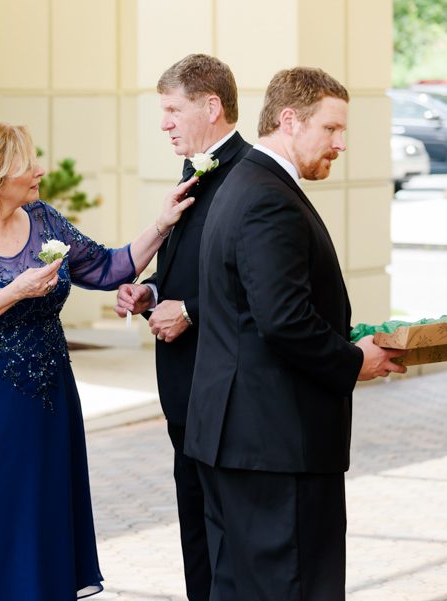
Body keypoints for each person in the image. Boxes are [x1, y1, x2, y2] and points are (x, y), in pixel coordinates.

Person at [0, 120, 197, 601]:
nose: (41, 170)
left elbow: (107, 267)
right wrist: (14, 291)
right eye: (27, 163)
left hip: (43, 403)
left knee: (36, 516)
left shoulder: (43, 219)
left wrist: (161, 224)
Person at [184, 67, 406, 600]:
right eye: (331, 129)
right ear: (289, 119)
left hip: (238, 441)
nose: (341, 144)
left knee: (239, 588)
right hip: (276, 447)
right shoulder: (266, 196)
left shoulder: (242, 184)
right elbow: (283, 319)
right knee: (295, 588)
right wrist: (355, 362)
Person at [113, 54, 252, 601]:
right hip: (184, 393)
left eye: (173, 109)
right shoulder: (196, 169)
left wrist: (190, 309)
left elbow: (257, 282)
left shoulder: (249, 174)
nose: (164, 122)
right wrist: (150, 288)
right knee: (194, 528)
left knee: (225, 532)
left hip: (223, 393)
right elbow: (198, 261)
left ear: (211, 106)